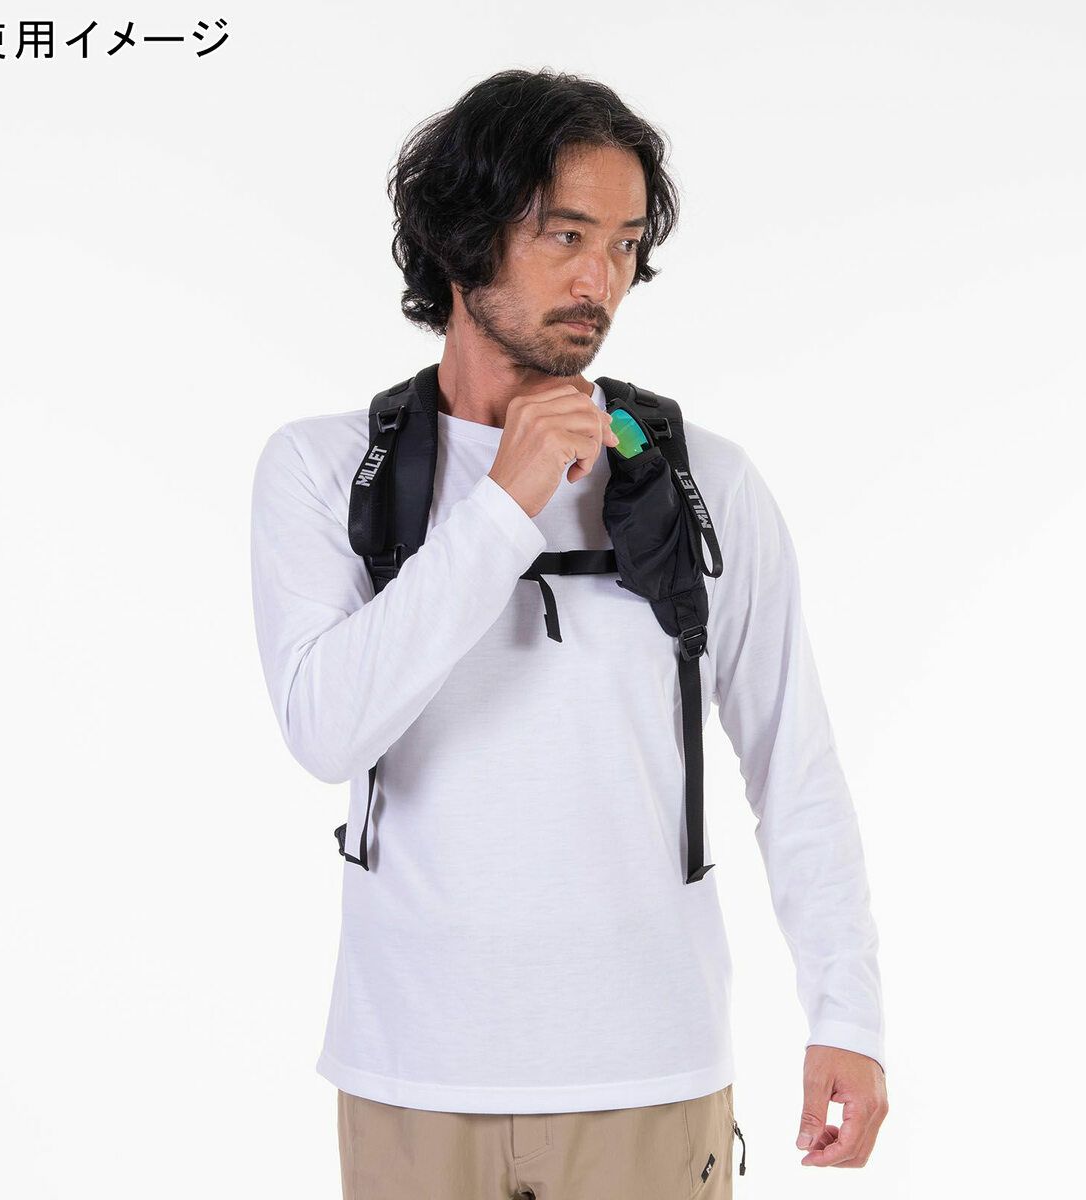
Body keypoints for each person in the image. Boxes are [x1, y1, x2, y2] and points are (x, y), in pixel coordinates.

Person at [250, 68, 888, 1198]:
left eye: (626, 244)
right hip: (412, 1071)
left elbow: (794, 762)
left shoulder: (703, 481)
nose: (602, 280)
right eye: (566, 235)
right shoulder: (322, 467)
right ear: (461, 239)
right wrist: (506, 502)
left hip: (650, 1069)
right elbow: (325, 732)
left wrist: (848, 1014)